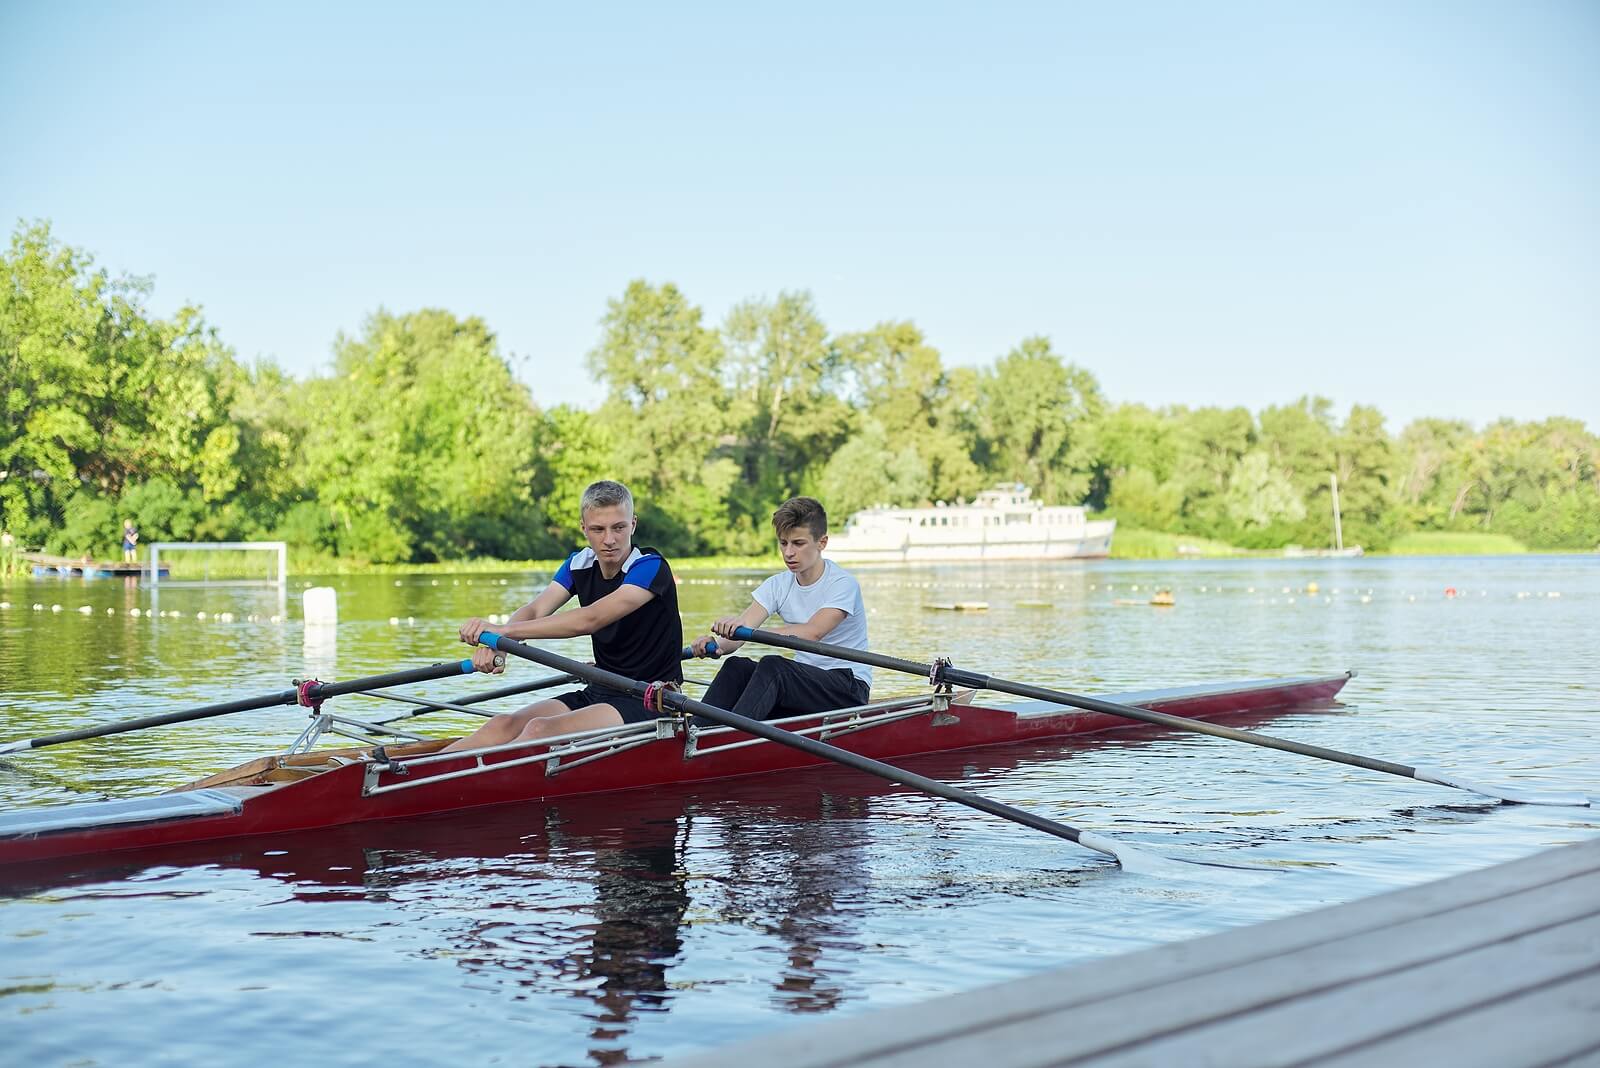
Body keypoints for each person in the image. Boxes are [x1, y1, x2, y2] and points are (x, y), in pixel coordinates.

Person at [445, 480, 682, 751]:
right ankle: (408, 781)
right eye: (597, 529)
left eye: (619, 527)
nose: (609, 539)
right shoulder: (578, 564)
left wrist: (503, 632)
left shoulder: (650, 568)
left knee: (539, 729)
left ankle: (468, 785)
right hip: (600, 689)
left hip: (650, 699)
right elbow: (535, 609)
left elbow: (590, 618)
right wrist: (500, 647)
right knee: (503, 724)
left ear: (633, 525)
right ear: (583, 528)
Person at [688, 496, 870, 722]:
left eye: (798, 543)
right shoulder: (777, 585)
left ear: (822, 543)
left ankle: (730, 741)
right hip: (805, 685)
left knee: (774, 666)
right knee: (737, 666)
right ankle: (695, 734)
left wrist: (748, 632)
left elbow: (813, 632)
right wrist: (713, 645)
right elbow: (739, 635)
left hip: (848, 686)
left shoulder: (843, 583)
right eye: (783, 543)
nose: (788, 553)